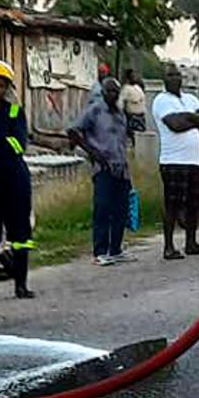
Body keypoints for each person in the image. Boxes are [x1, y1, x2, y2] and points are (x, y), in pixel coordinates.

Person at [152, 63, 199, 260]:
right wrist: (194, 118)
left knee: (194, 203)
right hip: (173, 160)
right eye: (170, 75)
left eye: (177, 75)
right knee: (173, 204)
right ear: (164, 79)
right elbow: (175, 125)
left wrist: (187, 117)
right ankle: (169, 246)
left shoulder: (190, 98)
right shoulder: (161, 100)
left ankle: (191, 242)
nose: (175, 79)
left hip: (194, 160)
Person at [68, 74, 131, 265]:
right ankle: (100, 251)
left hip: (121, 167)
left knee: (121, 209)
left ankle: (116, 249)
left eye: (116, 91)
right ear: (103, 92)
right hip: (103, 167)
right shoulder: (94, 110)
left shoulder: (120, 114)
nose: (113, 94)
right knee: (103, 208)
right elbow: (73, 131)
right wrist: (93, 153)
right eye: (109, 91)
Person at [0, 60, 35, 297]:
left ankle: (21, 284)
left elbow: (18, 144)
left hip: (14, 180)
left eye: (1, 85)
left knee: (20, 236)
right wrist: (2, 139)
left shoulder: (15, 112)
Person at [120, 67, 147, 145]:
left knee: (141, 140)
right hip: (131, 118)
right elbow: (120, 105)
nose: (134, 77)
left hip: (141, 118)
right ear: (128, 77)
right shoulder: (125, 89)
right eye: (132, 75)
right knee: (133, 140)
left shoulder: (138, 88)